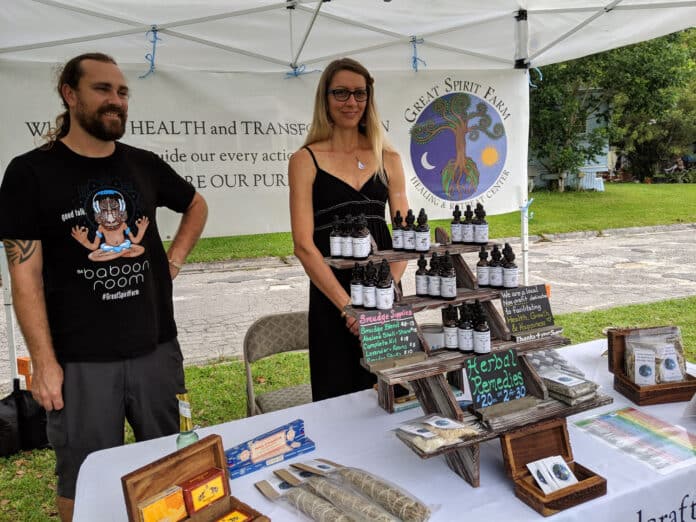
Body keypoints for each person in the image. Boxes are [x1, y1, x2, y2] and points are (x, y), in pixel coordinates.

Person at [0, 53, 208, 521]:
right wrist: (44, 363)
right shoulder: (29, 173)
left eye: (122, 91)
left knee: (173, 463)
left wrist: (173, 259)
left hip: (156, 351)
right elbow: (24, 277)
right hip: (80, 362)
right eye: (102, 89)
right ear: (69, 95)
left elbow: (196, 204)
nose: (116, 100)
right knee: (83, 478)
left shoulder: (144, 165)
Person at [288, 57, 409, 401]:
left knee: (395, 395)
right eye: (340, 93)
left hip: (385, 295)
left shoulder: (389, 158)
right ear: (325, 98)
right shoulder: (304, 160)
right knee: (338, 397)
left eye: (360, 94)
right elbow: (303, 245)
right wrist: (349, 308)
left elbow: (404, 238)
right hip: (333, 299)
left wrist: (384, 293)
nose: (351, 102)